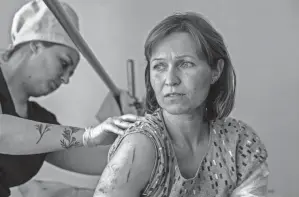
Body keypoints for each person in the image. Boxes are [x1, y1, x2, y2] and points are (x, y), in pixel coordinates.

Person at [93, 12, 269, 197]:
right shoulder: (139, 146)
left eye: (185, 64)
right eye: (159, 66)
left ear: (216, 71)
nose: (170, 80)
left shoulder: (240, 143)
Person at [0, 1, 141, 196]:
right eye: (64, 63)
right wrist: (88, 135)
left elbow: (104, 162)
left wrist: (128, 129)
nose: (65, 79)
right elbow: (4, 133)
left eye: (71, 73)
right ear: (35, 45)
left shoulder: (41, 120)